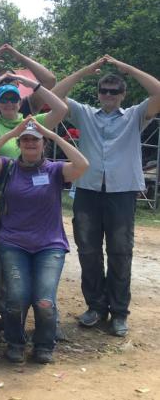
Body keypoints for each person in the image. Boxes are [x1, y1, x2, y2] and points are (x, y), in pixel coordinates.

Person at [51, 55, 160, 336]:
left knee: (120, 252)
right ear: (98, 94)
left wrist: (129, 69)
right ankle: (96, 307)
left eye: (114, 91)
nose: (108, 95)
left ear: (122, 95)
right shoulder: (84, 113)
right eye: (104, 91)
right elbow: (54, 95)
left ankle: (119, 312)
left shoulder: (135, 115)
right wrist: (85, 71)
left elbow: (158, 92)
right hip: (87, 190)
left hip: (122, 192)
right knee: (88, 252)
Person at [0, 117, 89, 363]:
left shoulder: (55, 170)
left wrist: (53, 134)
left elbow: (82, 164)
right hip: (13, 243)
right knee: (15, 298)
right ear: (19, 144)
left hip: (50, 245)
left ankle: (44, 343)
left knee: (44, 300)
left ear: (43, 145)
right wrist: (10, 133)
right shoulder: (7, 167)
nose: (30, 144)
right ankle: (15, 342)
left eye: (35, 140)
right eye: (25, 140)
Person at [0, 73, 68, 319]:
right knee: (6, 258)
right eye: (4, 100)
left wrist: (31, 84)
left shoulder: (34, 122)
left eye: (13, 100)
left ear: (20, 102)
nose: (9, 104)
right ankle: (6, 311)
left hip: (38, 198)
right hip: (4, 198)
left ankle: (44, 314)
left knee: (38, 265)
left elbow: (60, 109)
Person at [0, 43, 57, 115]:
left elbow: (50, 80)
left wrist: (21, 58)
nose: (4, 83)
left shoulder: (29, 103)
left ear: (18, 82)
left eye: (9, 79)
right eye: (0, 80)